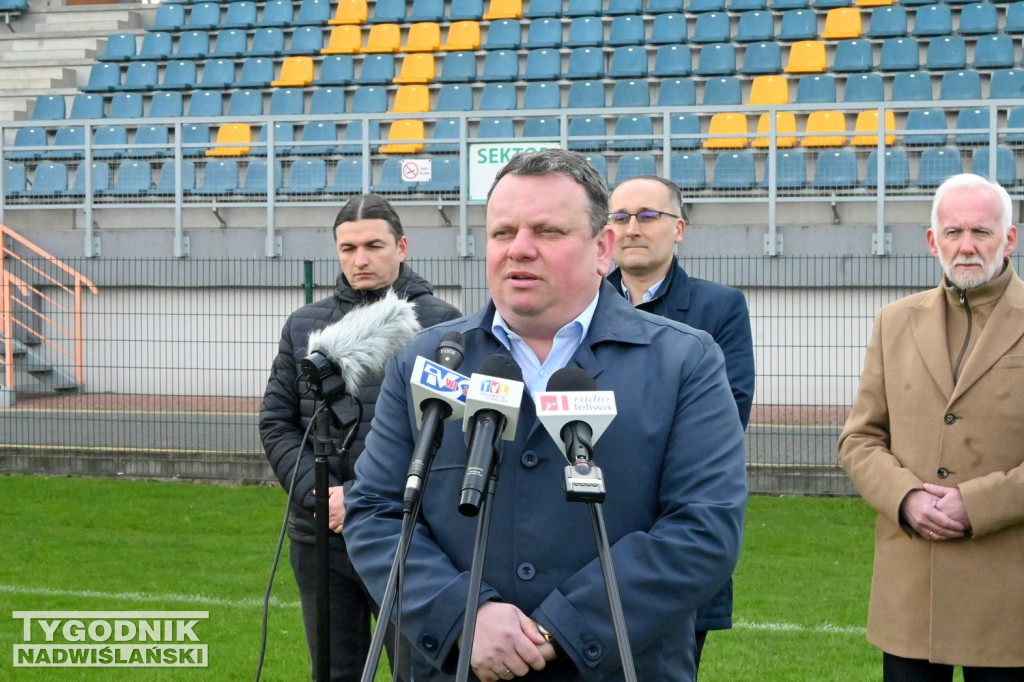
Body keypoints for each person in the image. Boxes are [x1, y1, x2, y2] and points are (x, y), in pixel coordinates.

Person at [343, 149, 748, 682]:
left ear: (602, 248)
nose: (520, 250)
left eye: (548, 232)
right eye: (503, 232)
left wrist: (561, 628)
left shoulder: (683, 361)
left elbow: (704, 528)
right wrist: (464, 617)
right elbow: (374, 511)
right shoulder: (424, 360)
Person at [260, 194, 461, 682]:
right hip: (320, 534)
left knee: (418, 671)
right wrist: (317, 492)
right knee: (333, 670)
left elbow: (448, 433)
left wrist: (361, 496)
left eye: (373, 245)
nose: (360, 259)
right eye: (347, 248)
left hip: (406, 531)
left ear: (402, 247)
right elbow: (276, 422)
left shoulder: (441, 323)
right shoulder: (305, 324)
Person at [839, 173, 1024, 681]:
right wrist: (906, 499)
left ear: (1009, 239)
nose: (966, 246)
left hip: (1010, 599)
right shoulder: (893, 322)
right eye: (953, 232)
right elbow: (860, 438)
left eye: (981, 232)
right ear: (932, 241)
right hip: (911, 593)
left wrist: (980, 504)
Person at [605, 175, 755, 673]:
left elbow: (728, 414)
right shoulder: (580, 306)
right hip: (589, 528)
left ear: (679, 229)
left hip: (676, 533)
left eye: (648, 216)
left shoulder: (718, 308)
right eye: (620, 217)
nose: (632, 228)